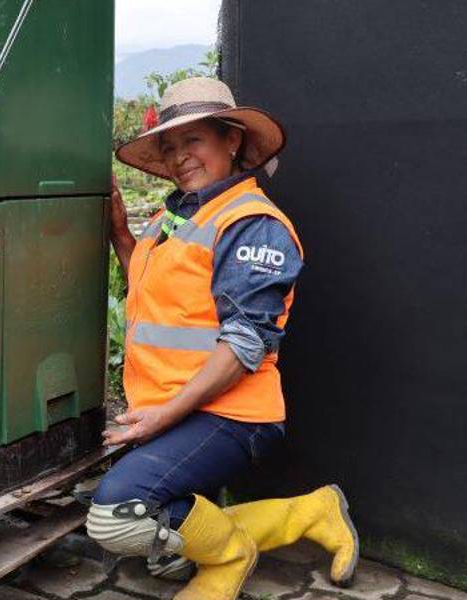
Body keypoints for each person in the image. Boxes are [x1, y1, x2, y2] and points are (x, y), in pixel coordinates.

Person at [86, 77, 359, 600]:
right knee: (166, 554)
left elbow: (243, 345)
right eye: (168, 147)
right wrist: (122, 236)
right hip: (184, 407)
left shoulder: (252, 224)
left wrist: (162, 419)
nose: (179, 157)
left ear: (231, 140)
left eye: (194, 141)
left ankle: (232, 556)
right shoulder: (177, 216)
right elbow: (160, 300)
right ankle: (309, 512)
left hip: (234, 415)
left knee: (117, 518)